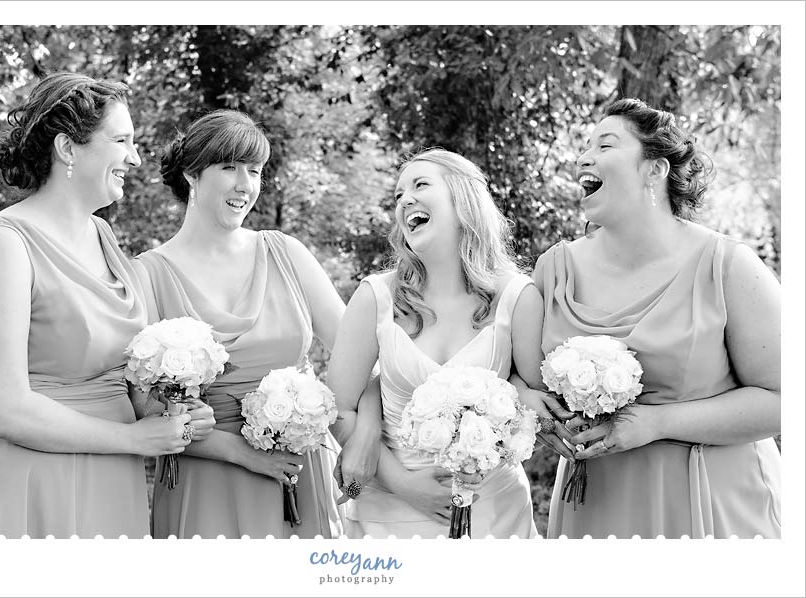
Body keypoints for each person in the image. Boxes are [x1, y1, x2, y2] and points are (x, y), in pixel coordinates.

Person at [0, 72, 202, 539]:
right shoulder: (4, 245)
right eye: (121, 140)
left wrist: (166, 411)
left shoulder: (102, 235)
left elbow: (108, 370)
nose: (135, 157)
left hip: (110, 484)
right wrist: (132, 440)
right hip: (31, 482)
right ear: (67, 148)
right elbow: (5, 410)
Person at [534, 97, 782, 539]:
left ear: (655, 169)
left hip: (707, 502)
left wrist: (657, 423)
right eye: (585, 146)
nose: (584, 157)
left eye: (605, 145)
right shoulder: (553, 269)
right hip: (593, 507)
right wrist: (543, 417)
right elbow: (518, 377)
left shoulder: (728, 266)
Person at [134, 109, 346, 539]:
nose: (244, 184)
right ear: (192, 174)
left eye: (254, 170)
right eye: (229, 167)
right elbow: (143, 408)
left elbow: (354, 354)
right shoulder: (147, 275)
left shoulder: (286, 253)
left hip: (299, 469)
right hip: (207, 479)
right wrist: (241, 452)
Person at [326, 149, 558, 538]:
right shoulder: (376, 297)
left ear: (462, 198)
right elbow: (337, 408)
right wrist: (403, 483)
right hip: (392, 513)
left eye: (420, 185)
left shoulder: (518, 297)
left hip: (494, 514)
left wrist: (518, 389)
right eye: (398, 195)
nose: (404, 201)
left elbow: (536, 401)